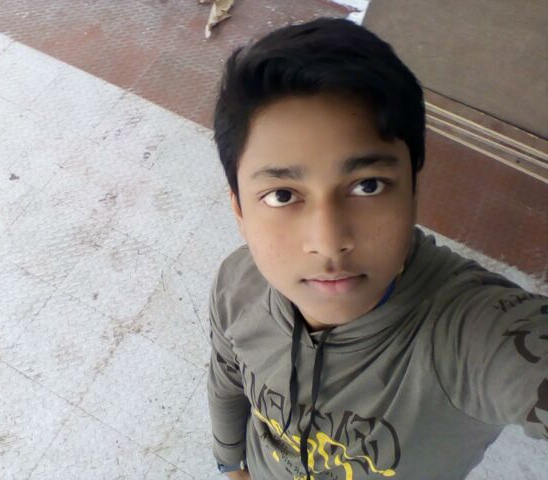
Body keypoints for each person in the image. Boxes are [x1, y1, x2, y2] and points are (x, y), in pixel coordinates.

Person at [206, 17, 548, 480]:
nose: (329, 242)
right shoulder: (236, 285)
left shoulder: (471, 336)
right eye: (282, 195)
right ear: (239, 209)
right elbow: (226, 378)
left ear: (413, 191)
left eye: (368, 185)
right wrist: (231, 464)